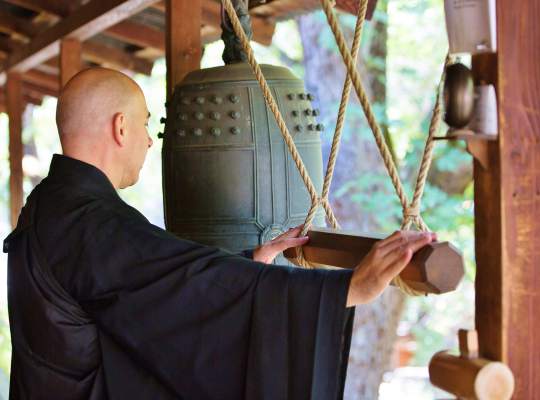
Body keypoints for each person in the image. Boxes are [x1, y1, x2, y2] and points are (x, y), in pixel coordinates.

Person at [3, 68, 435, 400]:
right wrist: (343, 289)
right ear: (120, 128)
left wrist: (248, 263)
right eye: (146, 126)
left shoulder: (50, 206)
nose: (150, 143)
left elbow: (160, 284)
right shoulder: (87, 220)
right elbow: (180, 282)